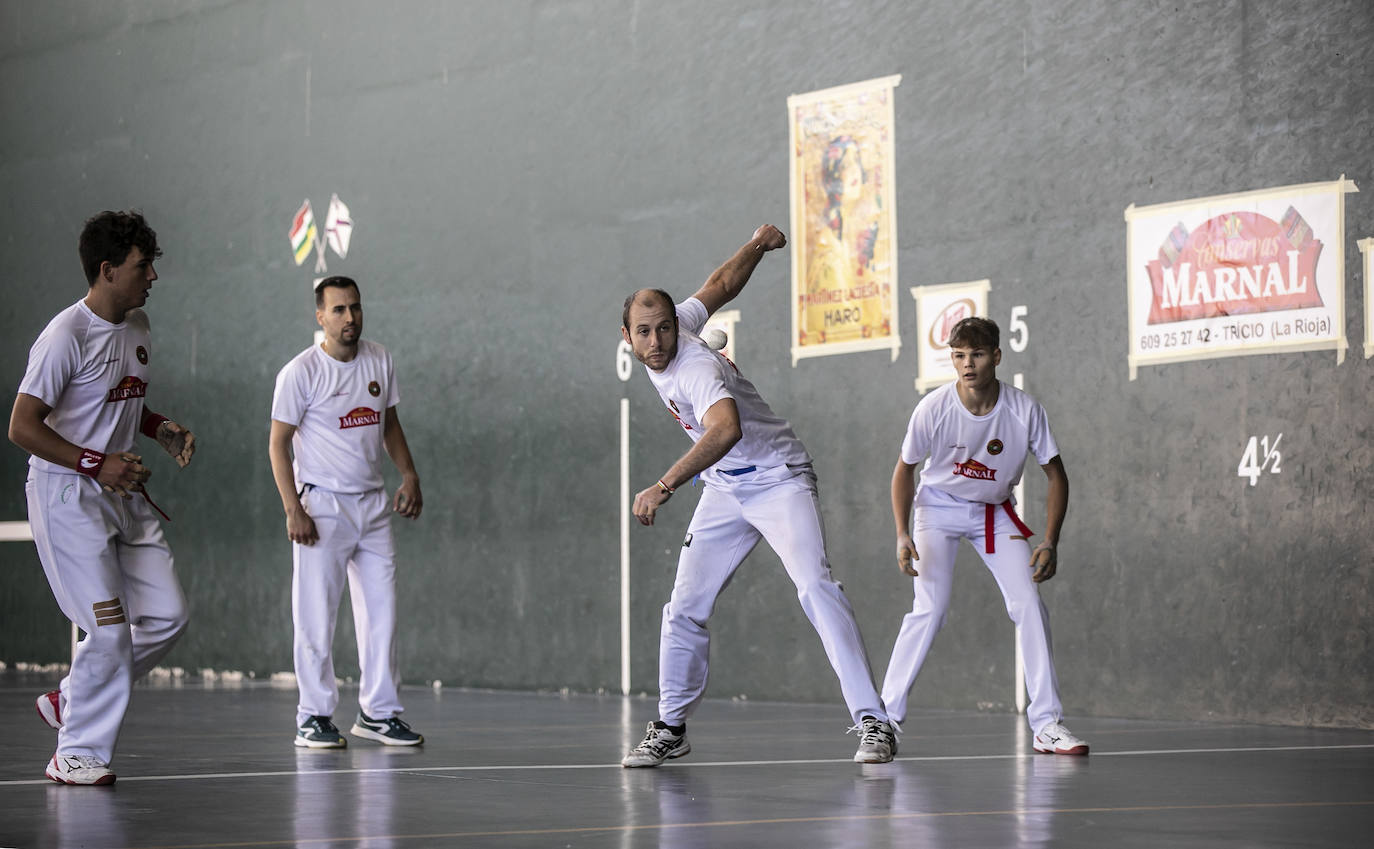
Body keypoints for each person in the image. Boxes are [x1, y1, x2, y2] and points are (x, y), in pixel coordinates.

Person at [619, 224, 897, 767]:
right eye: (644, 332)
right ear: (627, 335)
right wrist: (757, 244)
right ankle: (670, 727)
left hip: (778, 478)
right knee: (684, 607)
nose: (656, 343)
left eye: (664, 330)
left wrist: (664, 484)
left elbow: (725, 431)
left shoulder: (695, 367)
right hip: (725, 488)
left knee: (816, 587)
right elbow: (720, 283)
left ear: (676, 327)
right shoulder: (671, 335)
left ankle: (874, 722)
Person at [9, 210, 196, 785]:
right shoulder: (66, 334)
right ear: (108, 270)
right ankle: (74, 752)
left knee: (168, 615)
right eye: (144, 267)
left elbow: (117, 401)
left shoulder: (137, 325)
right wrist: (99, 464)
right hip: (70, 495)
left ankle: (73, 696)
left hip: (124, 493)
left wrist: (158, 427)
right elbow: (22, 426)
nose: (153, 278)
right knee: (109, 630)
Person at [880, 316, 1088, 755]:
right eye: (958, 356)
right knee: (930, 610)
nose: (967, 364)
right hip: (937, 510)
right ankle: (884, 721)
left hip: (995, 515)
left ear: (996, 355)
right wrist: (902, 534)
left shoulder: (1024, 410)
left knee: (1030, 605)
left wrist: (1050, 540)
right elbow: (905, 469)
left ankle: (1047, 724)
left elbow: (1057, 475)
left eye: (976, 354)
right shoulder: (933, 408)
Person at [268, 276, 425, 749]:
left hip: (373, 506)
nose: (349, 318)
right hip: (321, 507)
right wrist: (293, 508)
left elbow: (388, 424)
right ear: (320, 316)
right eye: (338, 310)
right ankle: (313, 715)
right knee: (316, 617)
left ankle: (378, 713)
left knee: (382, 614)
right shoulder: (300, 372)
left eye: (355, 308)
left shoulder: (379, 358)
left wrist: (409, 476)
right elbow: (277, 445)